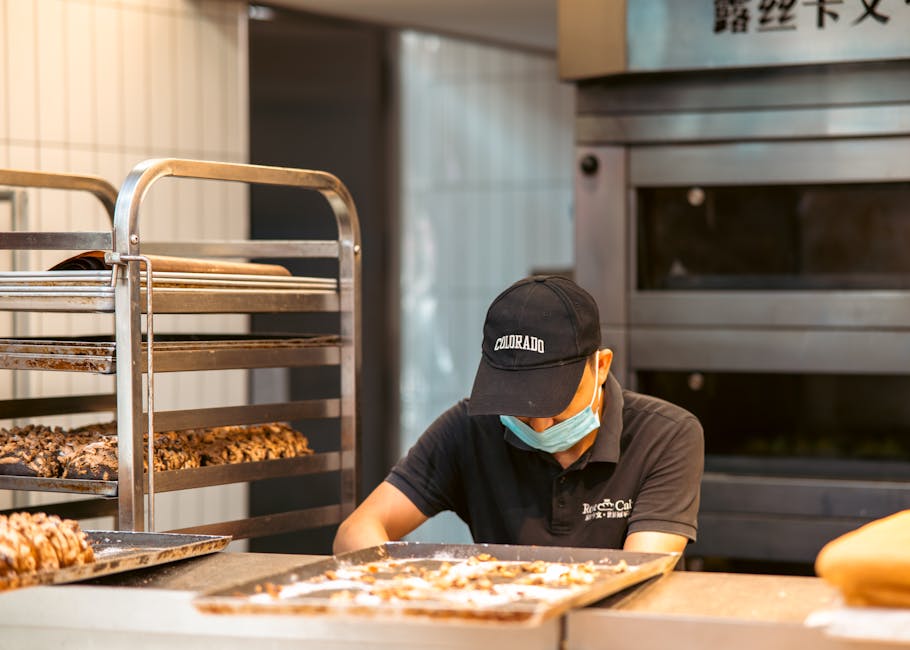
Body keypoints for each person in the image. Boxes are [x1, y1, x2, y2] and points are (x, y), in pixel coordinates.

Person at [334, 275, 704, 554]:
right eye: (523, 407)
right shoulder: (470, 430)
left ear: (601, 366)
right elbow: (357, 531)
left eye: (556, 403)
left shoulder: (666, 436)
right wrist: (400, 589)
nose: (540, 425)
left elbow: (641, 573)